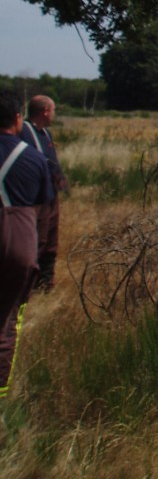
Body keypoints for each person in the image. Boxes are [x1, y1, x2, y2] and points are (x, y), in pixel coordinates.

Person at [0, 90, 51, 398]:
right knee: (6, 322)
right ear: (18, 119)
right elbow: (43, 209)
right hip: (18, 242)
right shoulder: (34, 158)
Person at [20, 94, 67, 292]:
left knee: (50, 239)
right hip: (35, 197)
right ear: (45, 111)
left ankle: (46, 282)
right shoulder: (23, 131)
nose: (54, 114)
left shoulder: (46, 133)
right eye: (53, 110)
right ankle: (28, 283)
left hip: (50, 194)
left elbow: (52, 159)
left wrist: (60, 180)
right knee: (37, 239)